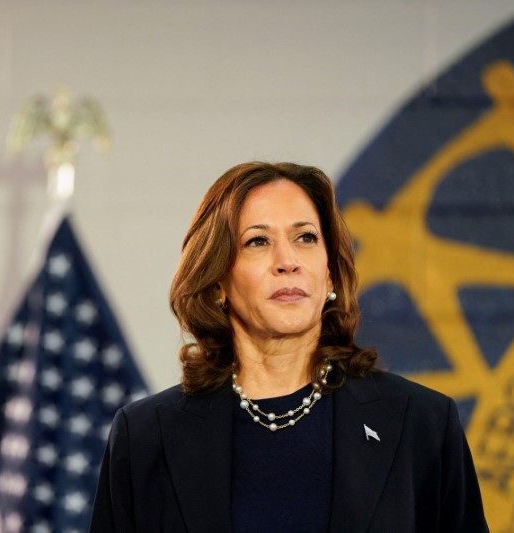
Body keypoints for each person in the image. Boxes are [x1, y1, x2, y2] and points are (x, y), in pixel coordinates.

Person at [89, 161, 487, 532]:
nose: (288, 260)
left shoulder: (423, 425)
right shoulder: (146, 437)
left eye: (306, 238)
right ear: (217, 283)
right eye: (258, 241)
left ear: (329, 275)